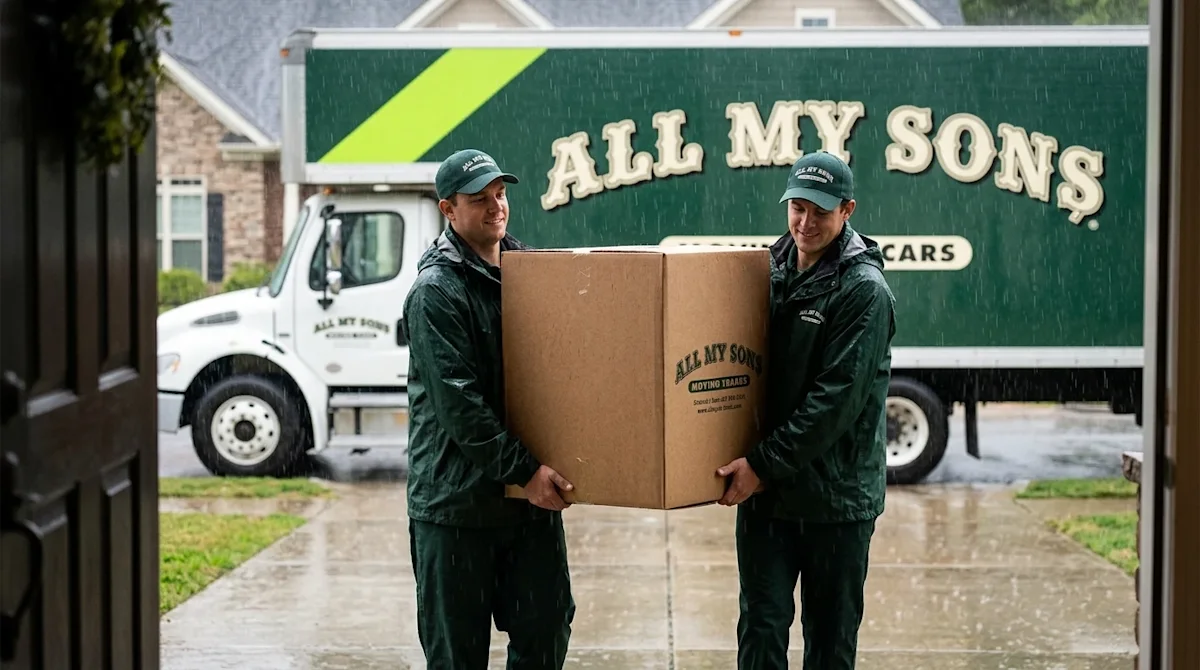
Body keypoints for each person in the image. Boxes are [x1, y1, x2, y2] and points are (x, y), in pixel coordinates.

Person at [715, 150, 897, 670]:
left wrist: (760, 465)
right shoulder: (766, 270)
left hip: (834, 503)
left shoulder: (864, 291)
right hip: (768, 501)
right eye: (798, 207)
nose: (805, 222)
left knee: (830, 641)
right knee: (761, 629)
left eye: (820, 210)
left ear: (847, 210)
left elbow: (834, 403)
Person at [401, 148, 576, 669]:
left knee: (547, 629)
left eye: (500, 194)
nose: (496, 206)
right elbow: (462, 406)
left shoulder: (532, 274)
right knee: (457, 654)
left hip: (528, 506)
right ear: (448, 209)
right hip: (457, 508)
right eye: (479, 199)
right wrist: (525, 471)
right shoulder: (435, 293)